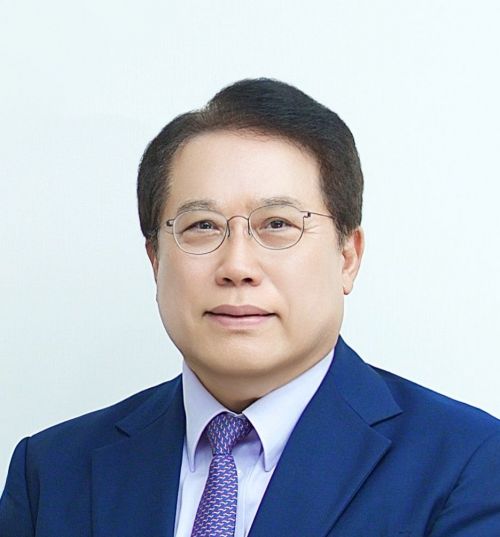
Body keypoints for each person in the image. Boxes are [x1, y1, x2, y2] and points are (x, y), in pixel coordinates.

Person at [1, 78, 499, 537]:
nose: (237, 266)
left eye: (277, 224)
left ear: (347, 257)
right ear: (155, 260)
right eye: (202, 226)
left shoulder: (468, 463)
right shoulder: (50, 472)